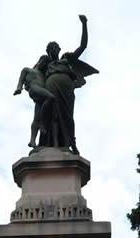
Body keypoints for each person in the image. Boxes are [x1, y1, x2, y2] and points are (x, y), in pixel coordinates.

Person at [39, 15, 99, 154]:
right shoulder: (45, 63)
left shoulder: (66, 58)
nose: (54, 49)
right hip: (50, 87)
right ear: (48, 51)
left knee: (67, 116)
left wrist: (84, 24)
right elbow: (33, 73)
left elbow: (83, 46)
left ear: (59, 50)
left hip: (66, 89)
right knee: (52, 115)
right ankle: (50, 144)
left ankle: (70, 142)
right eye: (51, 48)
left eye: (56, 47)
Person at [14, 55, 55, 148]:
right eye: (43, 62)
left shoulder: (43, 75)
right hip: (34, 88)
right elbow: (20, 81)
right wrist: (19, 89)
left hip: (40, 96)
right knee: (51, 97)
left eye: (45, 64)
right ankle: (42, 123)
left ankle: (32, 140)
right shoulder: (27, 70)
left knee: (36, 117)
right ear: (40, 60)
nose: (44, 65)